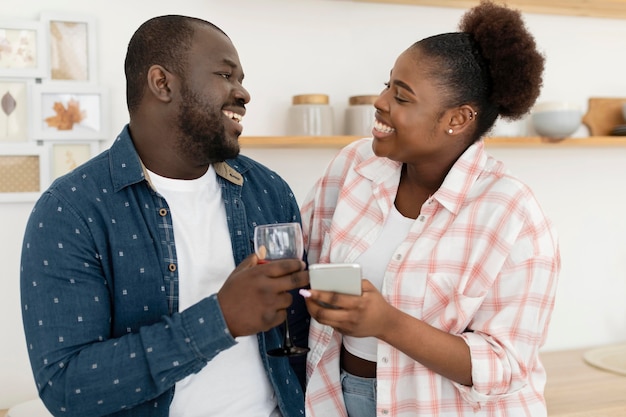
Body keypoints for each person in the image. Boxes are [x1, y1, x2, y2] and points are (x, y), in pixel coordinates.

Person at [20, 15, 309, 417]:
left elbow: (300, 338)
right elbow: (67, 388)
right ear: (162, 83)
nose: (243, 92)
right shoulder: (71, 210)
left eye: (241, 78)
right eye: (225, 74)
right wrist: (219, 319)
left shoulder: (269, 191)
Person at [299, 1, 560, 416]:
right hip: (339, 395)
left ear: (457, 119)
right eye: (387, 86)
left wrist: (387, 323)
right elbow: (305, 257)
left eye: (401, 96)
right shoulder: (354, 166)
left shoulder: (511, 213)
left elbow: (506, 366)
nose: (380, 102)